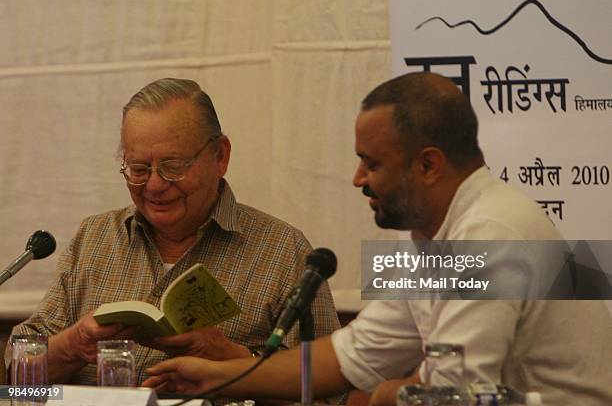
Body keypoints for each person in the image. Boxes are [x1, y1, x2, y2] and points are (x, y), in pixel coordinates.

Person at [143, 72, 612, 405]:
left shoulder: (490, 233)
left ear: (428, 165)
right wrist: (218, 378)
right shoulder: (428, 236)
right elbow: (355, 354)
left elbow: (448, 396)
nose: (357, 178)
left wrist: (389, 394)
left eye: (373, 163)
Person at [6, 78, 340, 385]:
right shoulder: (94, 238)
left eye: (173, 167)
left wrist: (231, 360)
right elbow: (16, 380)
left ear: (220, 156)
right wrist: (74, 344)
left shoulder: (282, 251)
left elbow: (326, 393)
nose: (154, 185)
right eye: (138, 168)